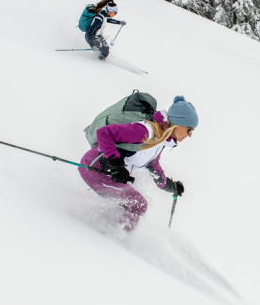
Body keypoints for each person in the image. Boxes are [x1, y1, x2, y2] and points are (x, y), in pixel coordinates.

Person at [79, 96, 198, 231]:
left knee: (134, 204)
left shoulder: (159, 141)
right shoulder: (145, 131)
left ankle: (112, 231)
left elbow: (153, 166)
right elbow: (104, 133)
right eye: (190, 130)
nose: (190, 135)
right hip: (95, 170)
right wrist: (117, 165)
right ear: (179, 123)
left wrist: (170, 186)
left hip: (109, 175)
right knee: (138, 205)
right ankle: (116, 241)